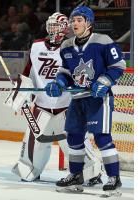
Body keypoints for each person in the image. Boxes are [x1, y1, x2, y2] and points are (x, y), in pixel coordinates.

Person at [10, 12, 103, 185]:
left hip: (67, 105)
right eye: (50, 25)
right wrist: (20, 93)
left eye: (56, 25)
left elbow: (83, 73)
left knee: (74, 141)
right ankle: (29, 167)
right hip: (41, 104)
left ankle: (92, 171)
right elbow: (28, 72)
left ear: (64, 28)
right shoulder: (37, 46)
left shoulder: (73, 47)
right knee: (33, 140)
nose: (52, 29)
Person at [45, 6, 126, 196]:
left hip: (99, 99)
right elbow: (65, 72)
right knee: (73, 136)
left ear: (89, 23)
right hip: (78, 99)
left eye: (79, 20)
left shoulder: (103, 41)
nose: (75, 24)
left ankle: (114, 178)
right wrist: (58, 83)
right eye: (73, 21)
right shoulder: (66, 46)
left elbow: (118, 64)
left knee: (102, 138)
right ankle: (75, 175)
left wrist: (104, 81)